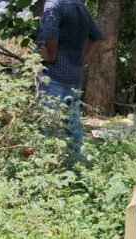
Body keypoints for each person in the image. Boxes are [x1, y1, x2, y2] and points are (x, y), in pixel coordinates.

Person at [36, 0, 103, 165]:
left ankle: (48, 166)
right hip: (74, 75)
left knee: (49, 123)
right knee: (72, 124)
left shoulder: (53, 5)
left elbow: (51, 33)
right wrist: (84, 60)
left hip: (54, 75)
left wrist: (50, 56)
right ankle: (73, 164)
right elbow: (97, 38)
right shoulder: (80, 6)